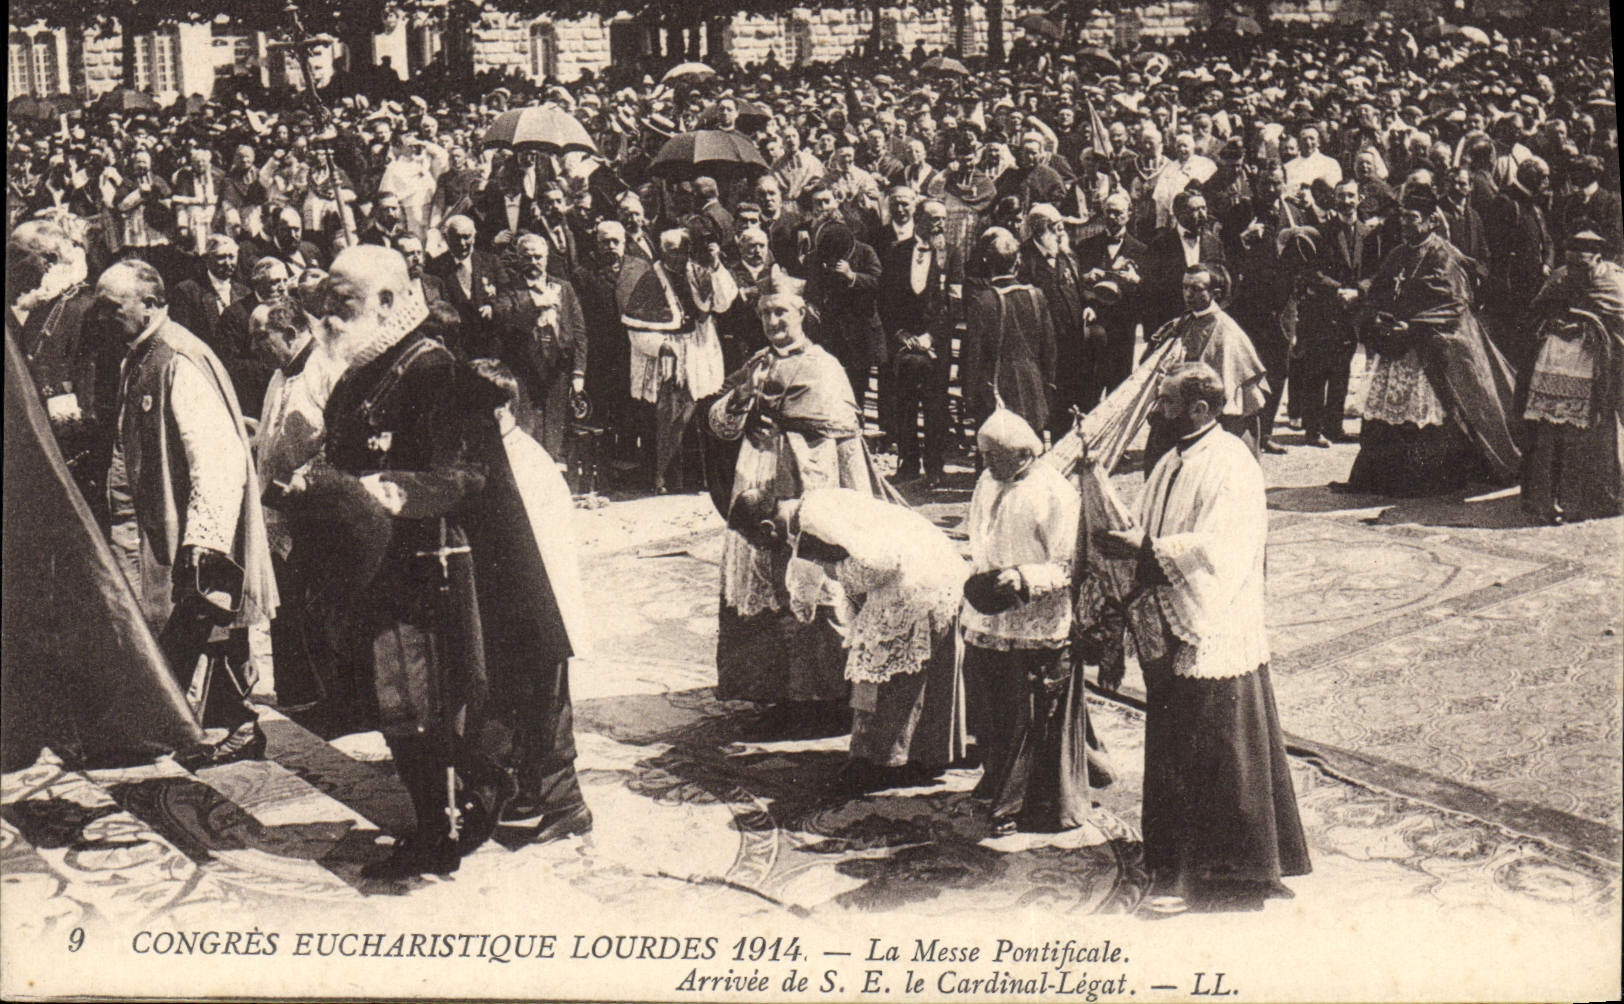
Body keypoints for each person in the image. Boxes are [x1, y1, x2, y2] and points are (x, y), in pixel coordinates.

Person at [272, 245, 512, 879]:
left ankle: (454, 820)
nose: (328, 318)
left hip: (424, 567)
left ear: (385, 301)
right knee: (392, 707)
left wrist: (391, 490)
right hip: (369, 567)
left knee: (430, 708)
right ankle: (434, 819)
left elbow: (466, 474)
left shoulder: (432, 369)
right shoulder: (359, 368)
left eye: (341, 304)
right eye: (324, 305)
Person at [1094, 361, 1309, 914]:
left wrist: (1144, 551)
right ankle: (1175, 859)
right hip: (1173, 611)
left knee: (1218, 749)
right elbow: (1146, 523)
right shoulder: (1170, 457)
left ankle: (1227, 872)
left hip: (1215, 620)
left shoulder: (1234, 463)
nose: (1155, 412)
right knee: (1175, 745)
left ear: (1201, 408)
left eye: (1165, 403)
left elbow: (1221, 547)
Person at [100, 258, 278, 768]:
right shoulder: (138, 355)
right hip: (150, 526)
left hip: (187, 532)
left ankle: (233, 728)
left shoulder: (179, 357)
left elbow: (217, 458)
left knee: (203, 625)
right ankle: (204, 724)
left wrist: (206, 541)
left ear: (151, 303)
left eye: (115, 307)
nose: (106, 317)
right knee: (183, 630)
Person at [707, 280, 882, 713]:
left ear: (802, 314)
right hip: (757, 480)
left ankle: (819, 696)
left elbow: (845, 436)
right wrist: (741, 403)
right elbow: (717, 420)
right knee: (759, 580)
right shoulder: (757, 363)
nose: (773, 322)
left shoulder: (824, 366)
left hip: (806, 484)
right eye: (766, 313)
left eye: (781, 312)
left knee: (811, 582)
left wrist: (856, 507)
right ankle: (768, 691)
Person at [728, 486, 967, 792]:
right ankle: (909, 754)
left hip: (916, 574)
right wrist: (806, 602)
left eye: (755, 542)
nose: (758, 549)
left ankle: (887, 762)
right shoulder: (802, 511)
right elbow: (808, 565)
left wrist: (836, 570)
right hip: (919, 564)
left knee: (888, 668)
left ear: (767, 528)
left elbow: (879, 564)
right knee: (888, 663)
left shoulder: (813, 518)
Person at [961, 409, 1098, 834]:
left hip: (1036, 621)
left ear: (1024, 454)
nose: (985, 464)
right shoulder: (988, 481)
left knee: (1032, 716)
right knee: (991, 710)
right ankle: (1000, 782)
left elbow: (1069, 564)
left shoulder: (1056, 493)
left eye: (994, 456)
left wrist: (1024, 577)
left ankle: (1022, 804)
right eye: (983, 455)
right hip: (989, 617)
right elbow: (978, 536)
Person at [1340, 186, 1522, 496]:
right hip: (1399, 345)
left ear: (1431, 221)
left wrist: (1411, 325)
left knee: (1431, 412)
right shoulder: (1398, 253)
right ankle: (1382, 477)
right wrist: (1372, 310)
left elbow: (1454, 304)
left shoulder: (1443, 254)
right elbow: (1383, 287)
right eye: (1402, 219)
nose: (1405, 225)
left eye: (1412, 219)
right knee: (1388, 410)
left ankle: (1424, 480)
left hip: (1435, 346)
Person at [1520, 230, 1624, 523]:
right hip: (1553, 362)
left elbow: (1619, 326)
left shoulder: (1614, 283)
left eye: (1583, 265)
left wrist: (1589, 328)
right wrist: (1552, 323)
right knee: (1548, 430)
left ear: (1598, 258)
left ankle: (1590, 499)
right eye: (1571, 264)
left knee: (1587, 431)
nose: (1576, 272)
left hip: (1593, 365)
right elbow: (1536, 311)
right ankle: (1544, 500)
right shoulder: (1561, 278)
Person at [621, 227, 736, 493]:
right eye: (672, 250)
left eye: (683, 250)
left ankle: (696, 479)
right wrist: (662, 346)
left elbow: (723, 302)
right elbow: (635, 331)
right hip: (667, 360)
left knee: (696, 417)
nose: (679, 256)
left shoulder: (698, 272)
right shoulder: (651, 279)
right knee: (668, 420)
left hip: (698, 352)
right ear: (662, 251)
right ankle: (662, 478)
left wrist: (715, 263)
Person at [1143, 265, 1269, 467]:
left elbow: (1233, 397)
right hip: (1178, 409)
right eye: (1185, 287)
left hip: (1209, 419)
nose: (1188, 294)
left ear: (1215, 293)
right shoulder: (1183, 322)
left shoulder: (1228, 332)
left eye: (1196, 288)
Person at [488, 234, 588, 458]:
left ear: (547, 257)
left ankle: (550, 480)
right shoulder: (509, 289)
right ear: (518, 259)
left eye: (538, 257)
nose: (533, 262)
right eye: (527, 257)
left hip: (557, 369)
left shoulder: (564, 288)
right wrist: (535, 306)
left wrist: (578, 372)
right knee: (525, 431)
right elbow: (504, 319)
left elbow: (579, 332)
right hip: (523, 370)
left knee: (554, 431)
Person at [878, 199, 953, 485]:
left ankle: (935, 467)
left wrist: (930, 336)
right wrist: (900, 334)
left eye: (943, 219)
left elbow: (952, 305)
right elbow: (886, 299)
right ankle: (908, 463)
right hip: (905, 342)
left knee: (935, 406)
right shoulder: (897, 252)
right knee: (905, 404)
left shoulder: (951, 254)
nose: (940, 225)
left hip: (936, 344)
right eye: (934, 219)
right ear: (918, 218)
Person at [962, 227, 1057, 436]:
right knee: (1030, 446)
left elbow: (973, 354)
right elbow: (1049, 347)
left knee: (995, 452)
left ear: (987, 262)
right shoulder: (1036, 296)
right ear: (1018, 262)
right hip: (1031, 383)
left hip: (995, 385)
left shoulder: (983, 301)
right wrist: (1048, 384)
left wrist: (969, 395)